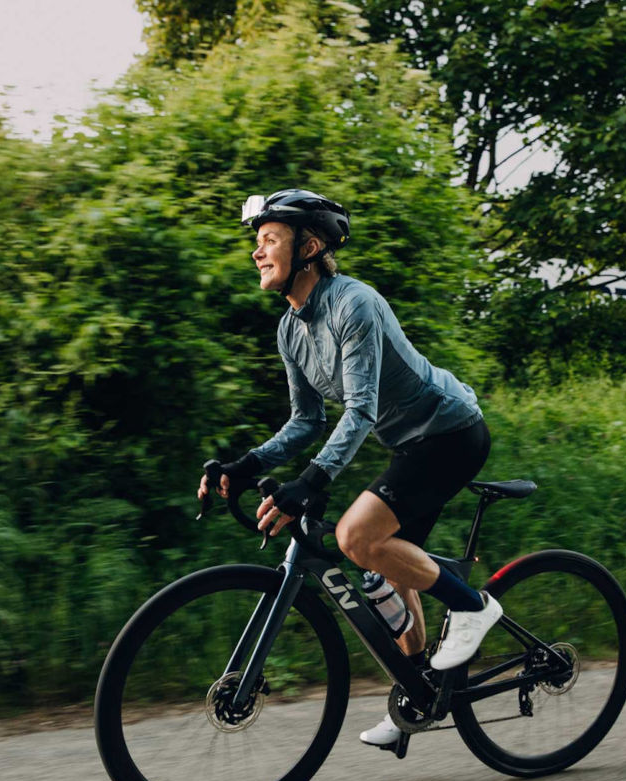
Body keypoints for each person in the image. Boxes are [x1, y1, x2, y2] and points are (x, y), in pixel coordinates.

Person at [196, 188, 502, 748]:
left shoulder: (353, 303)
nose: (257, 252)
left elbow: (361, 409)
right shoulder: (291, 329)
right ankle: (418, 697)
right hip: (409, 445)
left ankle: (473, 606)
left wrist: (312, 480)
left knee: (356, 536)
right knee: (390, 567)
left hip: (451, 433)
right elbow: (306, 421)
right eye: (257, 242)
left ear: (309, 248)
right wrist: (245, 466)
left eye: (270, 240)